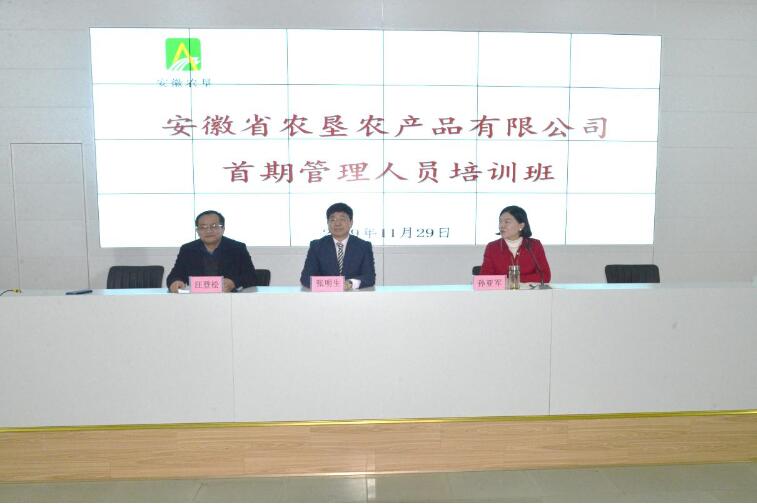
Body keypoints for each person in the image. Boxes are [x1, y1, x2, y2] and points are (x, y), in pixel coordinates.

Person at [167, 210, 257, 293]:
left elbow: (251, 276)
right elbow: (173, 276)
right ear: (197, 231)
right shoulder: (187, 250)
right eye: (203, 227)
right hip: (196, 299)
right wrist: (175, 282)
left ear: (223, 228)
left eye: (214, 226)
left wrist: (233, 283)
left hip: (229, 299)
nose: (208, 231)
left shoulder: (237, 248)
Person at [300, 202, 376, 290]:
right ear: (327, 223)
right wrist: (333, 285)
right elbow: (305, 278)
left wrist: (350, 283)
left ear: (351, 222)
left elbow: (369, 277)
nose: (337, 223)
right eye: (333, 220)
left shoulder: (363, 246)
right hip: (325, 296)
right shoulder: (316, 246)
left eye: (342, 219)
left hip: (354, 295)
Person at [479, 205, 551, 284]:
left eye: (507, 222)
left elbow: (545, 276)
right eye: (500, 221)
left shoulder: (534, 245)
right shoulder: (492, 247)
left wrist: (514, 279)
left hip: (528, 292)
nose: (502, 225)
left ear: (521, 226)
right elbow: (484, 278)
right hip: (501, 292)